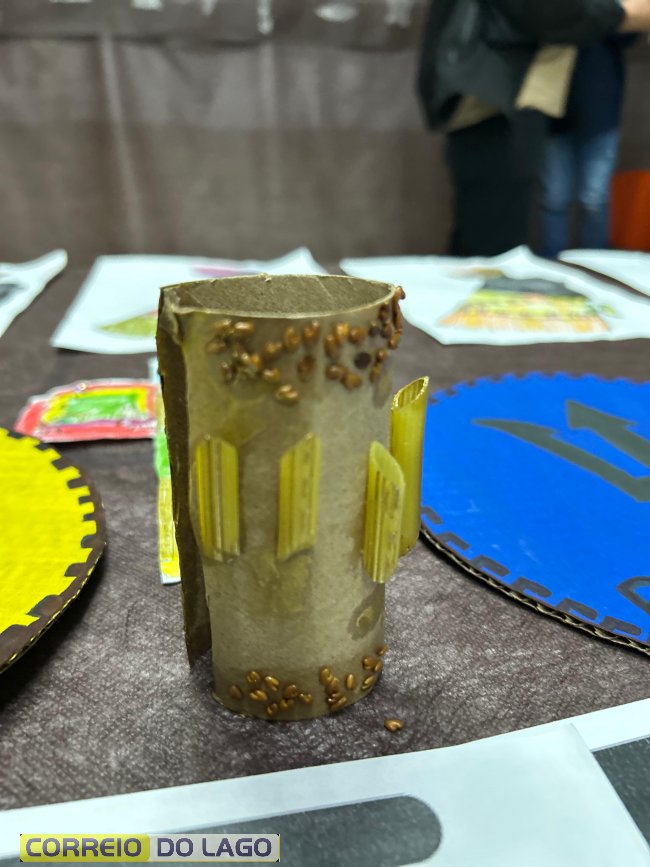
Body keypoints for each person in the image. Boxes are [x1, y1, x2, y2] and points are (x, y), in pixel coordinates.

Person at [417, 0, 650, 257]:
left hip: (494, 92)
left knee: (485, 236)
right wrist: (624, 12)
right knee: (496, 248)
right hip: (497, 96)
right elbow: (548, 10)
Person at [539, 35, 636, 258]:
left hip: (601, 110)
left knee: (594, 198)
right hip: (554, 112)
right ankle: (551, 263)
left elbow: (629, 35)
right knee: (554, 197)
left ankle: (594, 262)